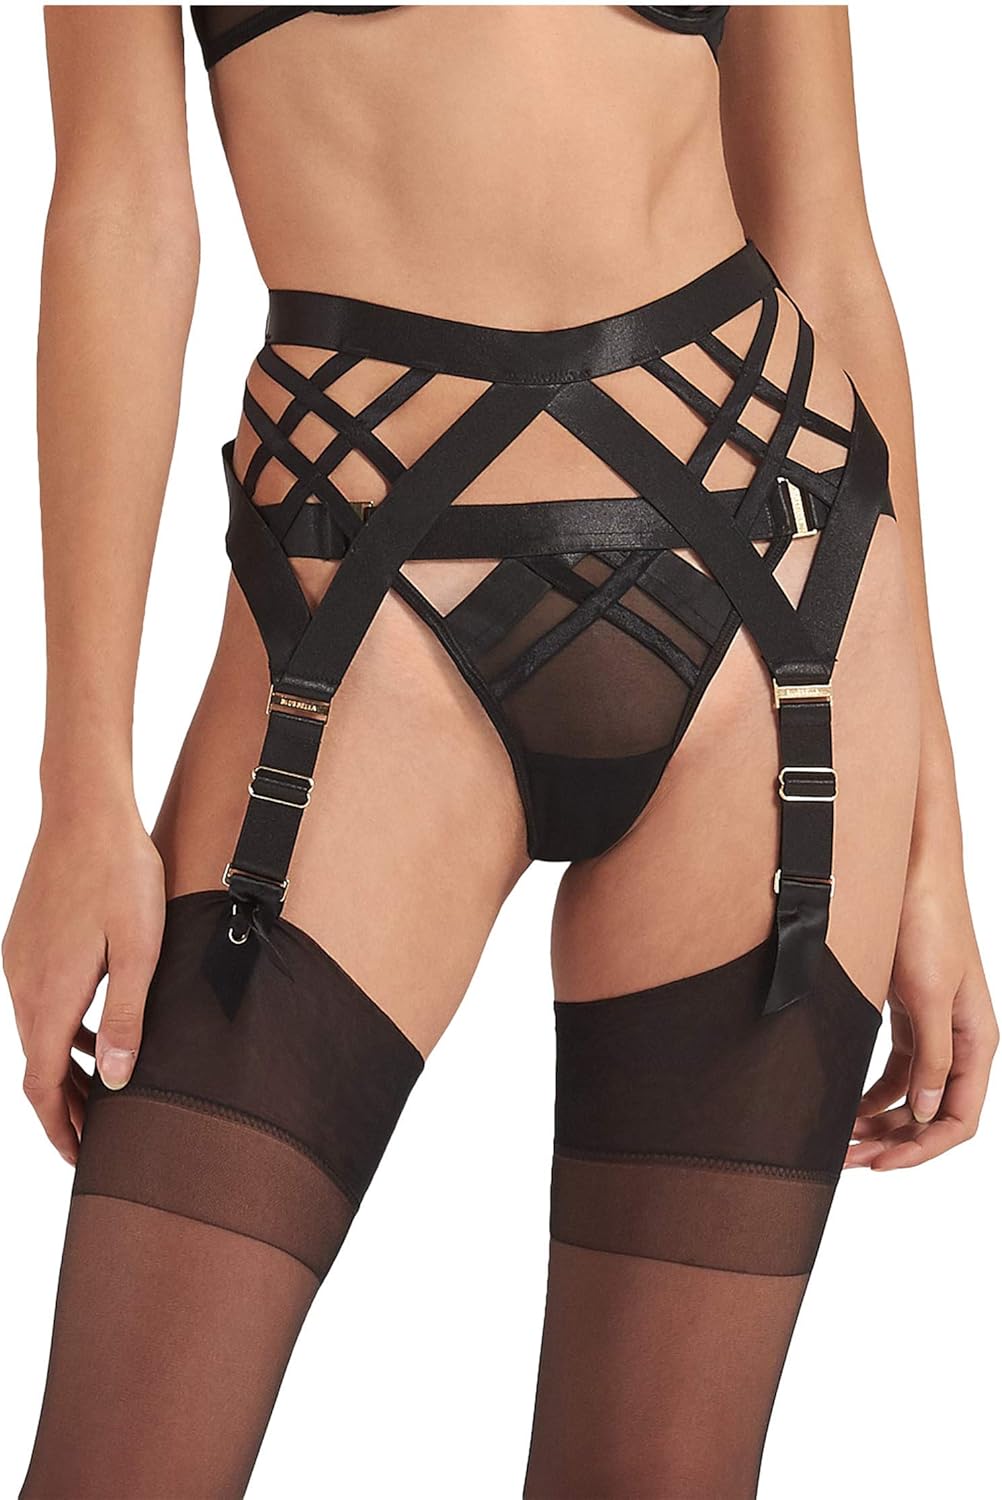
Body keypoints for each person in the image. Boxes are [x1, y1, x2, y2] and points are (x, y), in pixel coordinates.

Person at [4, 6, 996, 1496]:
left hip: (777, 610)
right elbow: (121, 213)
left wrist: (934, 831)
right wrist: (78, 782)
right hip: (361, 621)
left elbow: (825, 240)